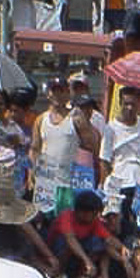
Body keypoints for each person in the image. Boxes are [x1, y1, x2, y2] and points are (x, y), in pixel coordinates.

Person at [29, 78, 97, 207]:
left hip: (67, 183)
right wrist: (33, 170)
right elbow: (34, 148)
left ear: (68, 93)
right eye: (54, 91)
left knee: (64, 221)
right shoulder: (41, 119)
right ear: (48, 93)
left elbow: (92, 144)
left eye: (61, 91)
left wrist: (85, 123)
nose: (57, 95)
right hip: (45, 183)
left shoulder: (75, 118)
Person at [98, 86, 140, 226]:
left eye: (133, 104)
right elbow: (104, 160)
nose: (129, 108)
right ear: (120, 104)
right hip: (119, 182)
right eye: (126, 104)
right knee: (120, 225)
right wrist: (105, 185)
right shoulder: (110, 128)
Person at [47, 189, 130, 278]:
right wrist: (87, 261)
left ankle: (82, 276)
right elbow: (71, 240)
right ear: (82, 212)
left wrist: (122, 247)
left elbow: (108, 238)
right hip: (56, 250)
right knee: (64, 242)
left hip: (78, 251)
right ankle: (59, 274)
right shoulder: (66, 216)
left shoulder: (93, 221)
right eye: (94, 213)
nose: (96, 216)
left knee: (98, 242)